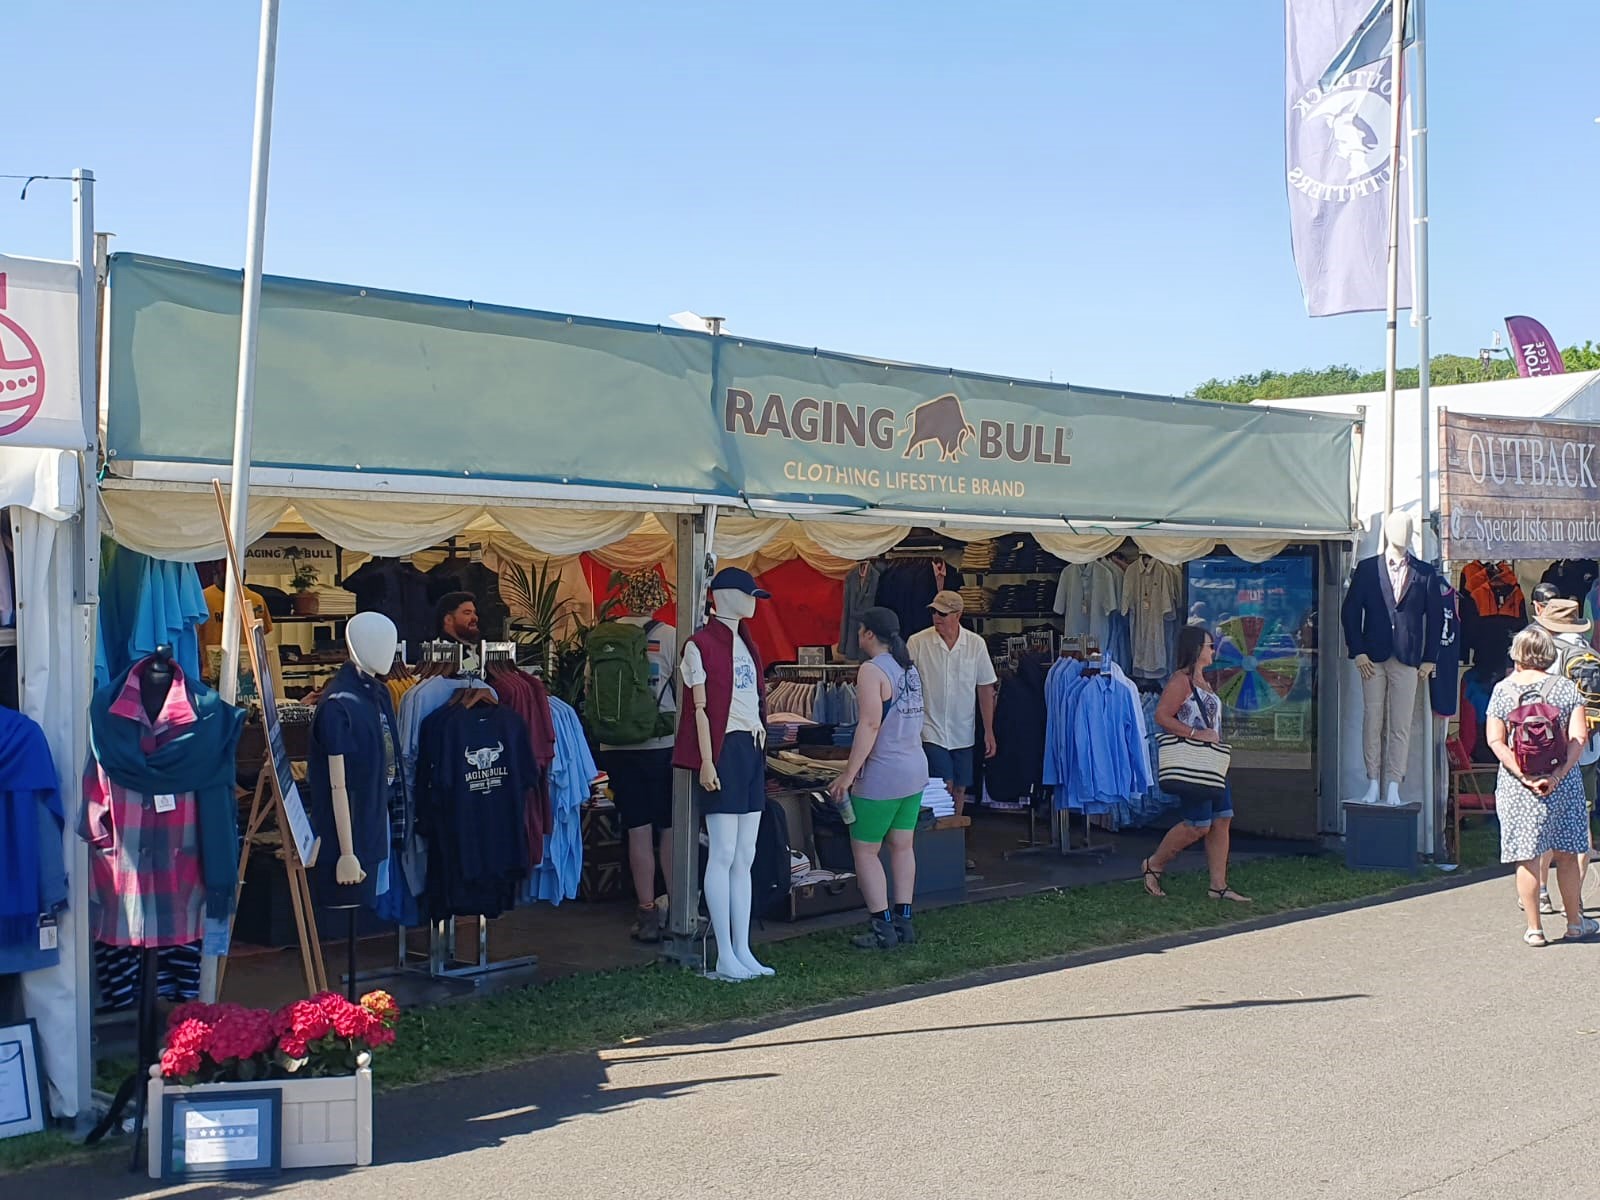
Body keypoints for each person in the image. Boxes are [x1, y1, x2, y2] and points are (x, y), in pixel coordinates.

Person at [1486, 625, 1599, 946]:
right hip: (1563, 783)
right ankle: (1575, 922)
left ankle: (1534, 928)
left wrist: (1523, 776)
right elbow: (1579, 738)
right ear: (1550, 656)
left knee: (1528, 856)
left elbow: (1495, 740)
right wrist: (1558, 775)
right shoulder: (1565, 689)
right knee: (1566, 853)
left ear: (1516, 655)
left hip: (1518, 786)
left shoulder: (1503, 690)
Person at [829, 608, 928, 950]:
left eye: (860, 630)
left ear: (869, 634)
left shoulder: (871, 671)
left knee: (866, 850)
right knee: (903, 846)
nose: (857, 635)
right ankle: (905, 921)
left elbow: (869, 725)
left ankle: (882, 926)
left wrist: (848, 774)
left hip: (883, 772)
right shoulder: (908, 668)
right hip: (914, 768)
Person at [595, 569, 677, 943]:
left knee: (637, 828)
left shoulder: (603, 637)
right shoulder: (669, 635)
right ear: (659, 598)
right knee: (669, 828)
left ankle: (645, 913)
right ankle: (676, 908)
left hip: (616, 746)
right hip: (659, 743)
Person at [1140, 625, 1250, 902]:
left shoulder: (1204, 681)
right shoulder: (1181, 681)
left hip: (1212, 763)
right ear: (1195, 649)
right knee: (1197, 824)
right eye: (1209, 645)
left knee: (1222, 819)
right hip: (1193, 761)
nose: (1213, 650)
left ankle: (1218, 885)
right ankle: (1154, 864)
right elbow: (1162, 716)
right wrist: (1194, 734)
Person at [1527, 592, 1598, 914]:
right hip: (1586, 750)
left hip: (1548, 752)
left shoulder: (1545, 655)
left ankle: (1541, 892)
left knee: (1545, 824)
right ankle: (1576, 899)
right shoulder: (1589, 653)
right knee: (1580, 826)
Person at [907, 590, 997, 821]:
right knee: (942, 783)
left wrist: (989, 730)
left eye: (943, 613)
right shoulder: (917, 642)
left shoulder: (975, 644)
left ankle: (954, 832)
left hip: (963, 729)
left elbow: (985, 687)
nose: (937, 617)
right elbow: (906, 686)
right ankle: (942, 836)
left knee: (960, 787)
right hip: (929, 727)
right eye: (934, 612)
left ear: (958, 615)